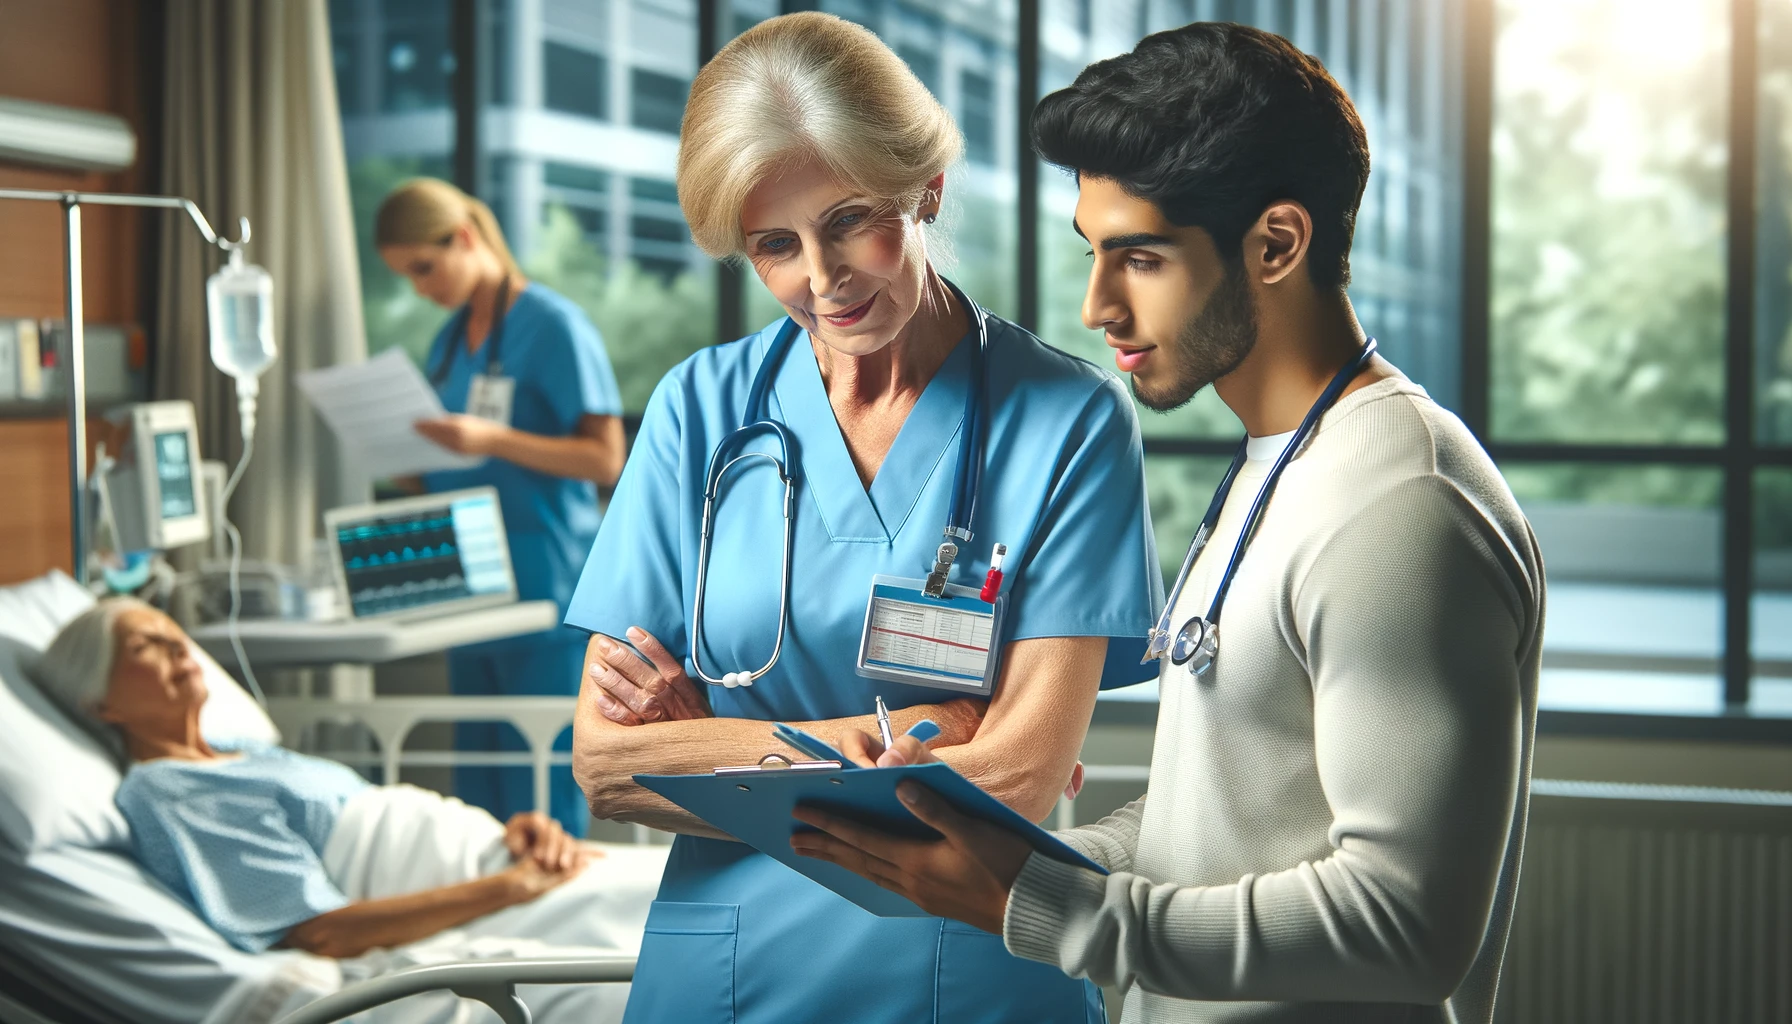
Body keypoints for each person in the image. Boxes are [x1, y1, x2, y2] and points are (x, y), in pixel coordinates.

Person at [791, 22, 1546, 1024]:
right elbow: (1229, 818)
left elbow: (1404, 928)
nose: (1097, 305)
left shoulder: (1400, 505)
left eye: (1139, 258)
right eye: (1093, 252)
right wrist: (1012, 860)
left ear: (1277, 243)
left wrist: (1050, 909)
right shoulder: (1279, 461)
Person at [566, 12, 1161, 1024]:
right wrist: (919, 732)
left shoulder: (1068, 418)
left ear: (926, 188)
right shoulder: (697, 410)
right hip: (723, 973)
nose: (821, 277)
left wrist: (713, 745)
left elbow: (1016, 778)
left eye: (849, 220)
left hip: (966, 968)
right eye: (775, 244)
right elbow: (606, 768)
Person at [30, 597, 591, 957]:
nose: (178, 644)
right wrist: (507, 887)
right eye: (143, 645)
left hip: (499, 861)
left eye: (172, 630)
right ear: (100, 704)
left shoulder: (239, 752)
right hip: (488, 891)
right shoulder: (165, 788)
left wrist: (514, 836)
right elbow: (319, 929)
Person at [375, 178, 627, 836]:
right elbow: (459, 464)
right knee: (479, 799)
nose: (420, 289)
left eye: (424, 268)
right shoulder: (449, 342)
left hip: (545, 587)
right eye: (407, 277)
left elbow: (606, 459)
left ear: (464, 238)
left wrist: (491, 440)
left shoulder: (553, 326)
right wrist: (410, 464)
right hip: (472, 589)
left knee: (540, 798)